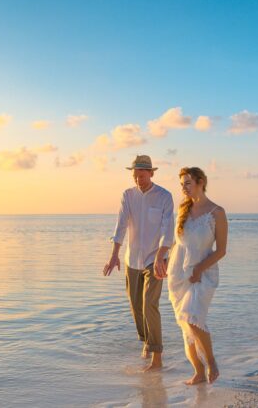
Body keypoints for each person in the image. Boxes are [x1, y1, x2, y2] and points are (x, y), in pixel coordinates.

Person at [102, 155, 175, 372]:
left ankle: (157, 357)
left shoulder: (164, 196)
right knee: (136, 307)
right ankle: (146, 341)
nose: (138, 180)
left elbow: (167, 227)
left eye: (142, 176)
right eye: (135, 176)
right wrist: (114, 254)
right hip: (132, 259)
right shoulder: (128, 195)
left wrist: (162, 253)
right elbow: (121, 225)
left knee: (149, 304)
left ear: (151, 173)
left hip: (156, 258)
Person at [166, 166, 227, 384]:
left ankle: (211, 362)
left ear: (201, 182)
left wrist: (199, 269)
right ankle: (198, 372)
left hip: (203, 273)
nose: (183, 188)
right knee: (185, 325)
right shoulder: (183, 210)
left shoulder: (217, 213)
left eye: (188, 183)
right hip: (178, 274)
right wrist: (162, 260)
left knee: (192, 318)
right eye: (181, 184)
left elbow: (221, 250)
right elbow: (176, 243)